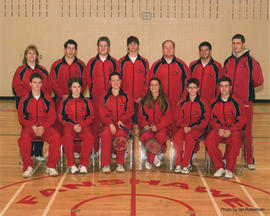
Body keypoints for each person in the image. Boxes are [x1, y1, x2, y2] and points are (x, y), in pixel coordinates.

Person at [224, 34, 264, 170]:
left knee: (246, 132)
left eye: (238, 43)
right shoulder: (228, 61)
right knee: (229, 128)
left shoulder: (251, 61)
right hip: (230, 102)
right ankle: (227, 157)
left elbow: (259, 81)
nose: (236, 46)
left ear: (244, 44)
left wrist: (245, 89)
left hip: (245, 102)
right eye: (233, 43)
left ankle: (249, 159)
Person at [151, 40, 190, 160]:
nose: (168, 50)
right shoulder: (156, 65)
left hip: (177, 106)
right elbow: (151, 86)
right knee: (161, 130)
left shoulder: (182, 65)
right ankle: (160, 152)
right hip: (161, 107)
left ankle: (180, 157)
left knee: (178, 132)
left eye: (170, 48)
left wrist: (182, 101)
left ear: (174, 49)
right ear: (162, 49)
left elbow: (187, 85)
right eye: (166, 48)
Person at [17, 73, 60, 178]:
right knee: (24, 139)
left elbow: (52, 117)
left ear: (42, 84)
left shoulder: (48, 99)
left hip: (45, 127)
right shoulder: (24, 100)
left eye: (39, 83)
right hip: (30, 128)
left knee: (56, 137)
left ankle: (51, 166)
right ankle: (28, 167)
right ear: (30, 84)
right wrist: (32, 126)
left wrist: (43, 126)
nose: (37, 85)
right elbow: (22, 118)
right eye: (34, 83)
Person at [49, 39, 87, 158]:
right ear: (65, 49)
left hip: (76, 100)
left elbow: (85, 81)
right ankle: (61, 150)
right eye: (68, 48)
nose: (71, 51)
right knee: (61, 126)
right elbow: (53, 81)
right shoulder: (56, 65)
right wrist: (62, 95)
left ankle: (75, 151)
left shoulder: (81, 65)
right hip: (61, 100)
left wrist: (76, 94)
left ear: (75, 50)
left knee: (77, 123)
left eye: (73, 48)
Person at [12, 45, 50, 162]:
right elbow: (16, 87)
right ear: (25, 56)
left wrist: (41, 98)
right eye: (29, 53)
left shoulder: (43, 70)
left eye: (34, 53)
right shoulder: (20, 70)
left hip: (40, 103)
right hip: (26, 105)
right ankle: (26, 154)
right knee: (27, 128)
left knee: (40, 126)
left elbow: (48, 86)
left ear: (37, 56)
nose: (32, 55)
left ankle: (38, 153)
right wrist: (29, 98)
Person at [204, 76, 247, 179]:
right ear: (218, 88)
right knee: (209, 140)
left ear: (230, 87)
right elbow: (210, 118)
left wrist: (230, 130)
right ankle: (219, 166)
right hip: (218, 129)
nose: (224, 88)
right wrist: (219, 128)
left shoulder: (237, 102)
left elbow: (242, 119)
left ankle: (229, 169)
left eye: (226, 86)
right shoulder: (214, 102)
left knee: (236, 141)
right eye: (222, 86)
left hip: (234, 130)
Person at [189, 41, 223, 158]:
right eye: (202, 50)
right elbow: (188, 84)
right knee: (194, 126)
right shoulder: (193, 65)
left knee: (210, 130)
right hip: (196, 104)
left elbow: (220, 86)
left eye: (206, 50)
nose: (204, 52)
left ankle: (211, 155)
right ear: (199, 52)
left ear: (210, 51)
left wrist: (216, 103)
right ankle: (194, 150)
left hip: (210, 104)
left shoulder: (217, 66)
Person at [86, 36, 119, 155]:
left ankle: (113, 150)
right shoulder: (91, 62)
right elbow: (88, 80)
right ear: (97, 47)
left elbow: (118, 80)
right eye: (101, 45)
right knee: (95, 126)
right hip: (96, 99)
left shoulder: (114, 62)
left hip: (111, 100)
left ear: (108, 48)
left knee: (111, 124)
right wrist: (94, 93)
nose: (103, 48)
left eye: (105, 46)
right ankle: (95, 149)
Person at [172, 78, 210, 174]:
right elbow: (177, 117)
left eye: (194, 87)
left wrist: (192, 127)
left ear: (198, 89)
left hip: (197, 128)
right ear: (187, 89)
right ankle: (178, 163)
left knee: (189, 137)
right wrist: (184, 126)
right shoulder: (181, 102)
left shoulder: (203, 102)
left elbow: (205, 119)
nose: (192, 90)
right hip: (183, 127)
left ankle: (186, 164)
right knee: (176, 138)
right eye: (190, 88)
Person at [58, 77, 95, 174]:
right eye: (74, 87)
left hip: (83, 126)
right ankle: (72, 165)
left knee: (89, 138)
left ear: (81, 88)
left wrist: (81, 124)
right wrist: (72, 126)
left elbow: (91, 116)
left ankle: (83, 164)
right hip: (69, 126)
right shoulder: (64, 102)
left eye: (78, 87)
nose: (77, 89)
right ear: (70, 88)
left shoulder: (87, 101)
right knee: (67, 138)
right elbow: (61, 117)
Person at [99, 72, 134, 173]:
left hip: (124, 124)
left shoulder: (127, 96)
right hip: (108, 124)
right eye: (113, 81)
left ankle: (120, 164)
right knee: (105, 134)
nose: (115, 83)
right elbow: (102, 113)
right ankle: (105, 164)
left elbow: (130, 111)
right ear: (109, 82)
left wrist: (122, 120)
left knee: (120, 134)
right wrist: (110, 123)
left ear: (120, 81)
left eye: (117, 80)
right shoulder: (104, 96)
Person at [138, 77, 172, 169]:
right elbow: (141, 116)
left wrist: (158, 126)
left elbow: (168, 118)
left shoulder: (165, 101)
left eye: (156, 85)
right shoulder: (144, 100)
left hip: (161, 127)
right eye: (152, 85)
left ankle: (150, 158)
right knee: (146, 135)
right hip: (148, 127)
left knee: (161, 135)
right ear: (149, 87)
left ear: (159, 87)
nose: (154, 87)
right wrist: (145, 124)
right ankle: (156, 154)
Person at [118, 36, 150, 124]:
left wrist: (142, 97)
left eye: (135, 44)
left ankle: (137, 138)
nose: (133, 46)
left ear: (138, 46)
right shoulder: (121, 62)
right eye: (130, 44)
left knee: (138, 124)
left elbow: (147, 81)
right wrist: (123, 97)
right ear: (127, 46)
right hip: (125, 100)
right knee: (126, 124)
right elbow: (117, 81)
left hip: (139, 100)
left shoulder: (144, 62)